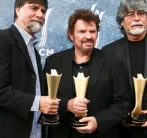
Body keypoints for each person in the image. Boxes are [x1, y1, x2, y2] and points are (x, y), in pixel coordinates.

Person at [43, 9, 130, 138]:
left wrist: (98, 121)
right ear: (71, 35)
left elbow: (123, 103)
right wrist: (67, 105)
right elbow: (43, 98)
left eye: (92, 31)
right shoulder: (53, 62)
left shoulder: (113, 62)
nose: (88, 36)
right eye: (82, 31)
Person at [0, 0, 59, 138]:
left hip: (35, 132)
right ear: (17, 10)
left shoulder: (34, 51)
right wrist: (37, 102)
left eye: (43, 11)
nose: (40, 15)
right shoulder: (1, 39)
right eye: (33, 8)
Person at [102, 0, 147, 138]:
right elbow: (103, 93)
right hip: (119, 130)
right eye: (130, 14)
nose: (136, 18)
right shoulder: (108, 52)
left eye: (141, 13)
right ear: (122, 21)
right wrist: (117, 116)